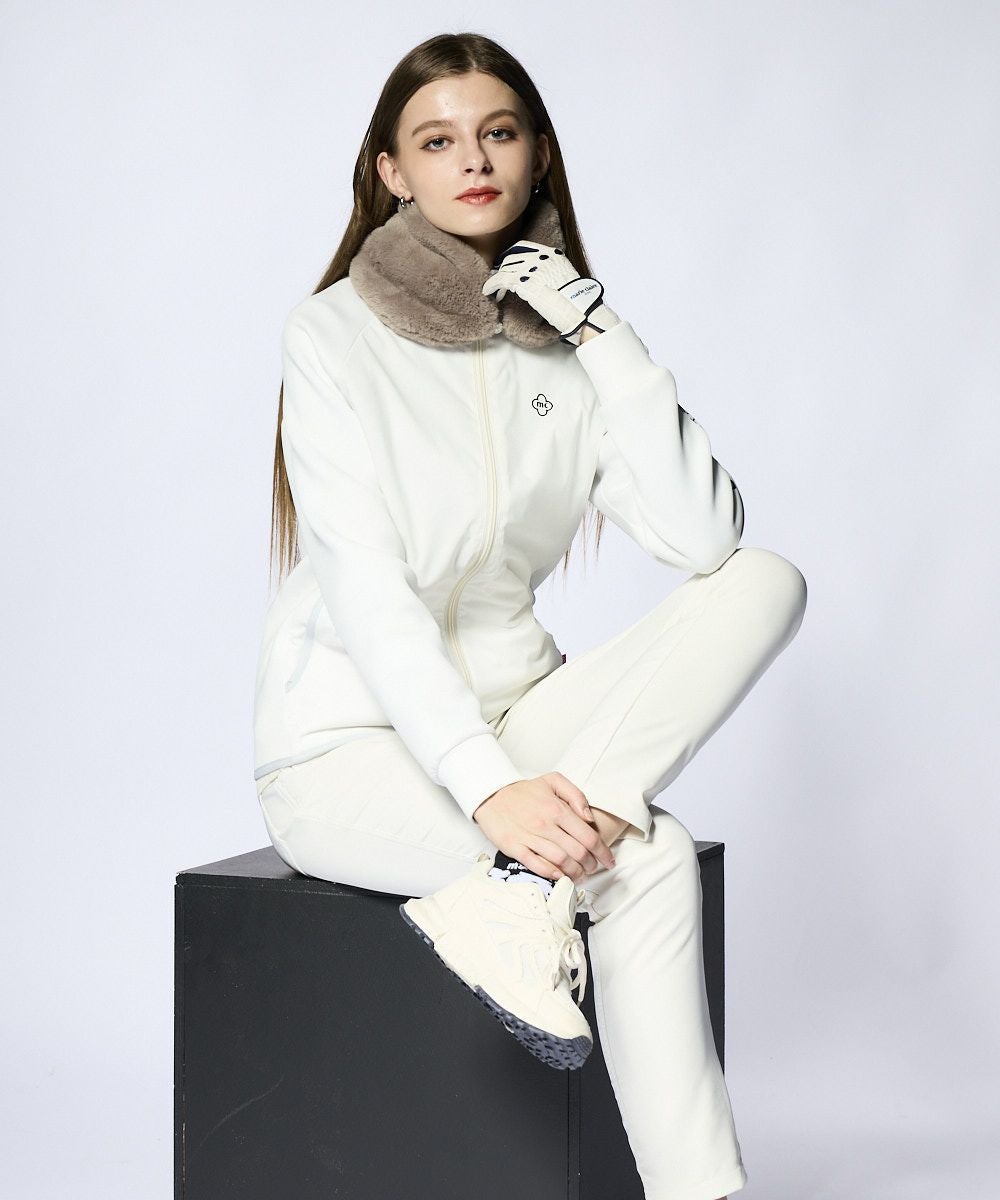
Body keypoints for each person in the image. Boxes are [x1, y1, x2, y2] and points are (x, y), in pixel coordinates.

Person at [252, 31, 807, 1200]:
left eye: (497, 133)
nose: (473, 160)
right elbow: (366, 594)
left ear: (537, 152)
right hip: (348, 748)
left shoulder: (560, 343)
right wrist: (485, 789)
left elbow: (702, 539)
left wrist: (602, 335)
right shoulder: (331, 334)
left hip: (523, 715)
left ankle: (517, 899)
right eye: (437, 141)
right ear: (392, 172)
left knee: (765, 578)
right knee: (645, 860)